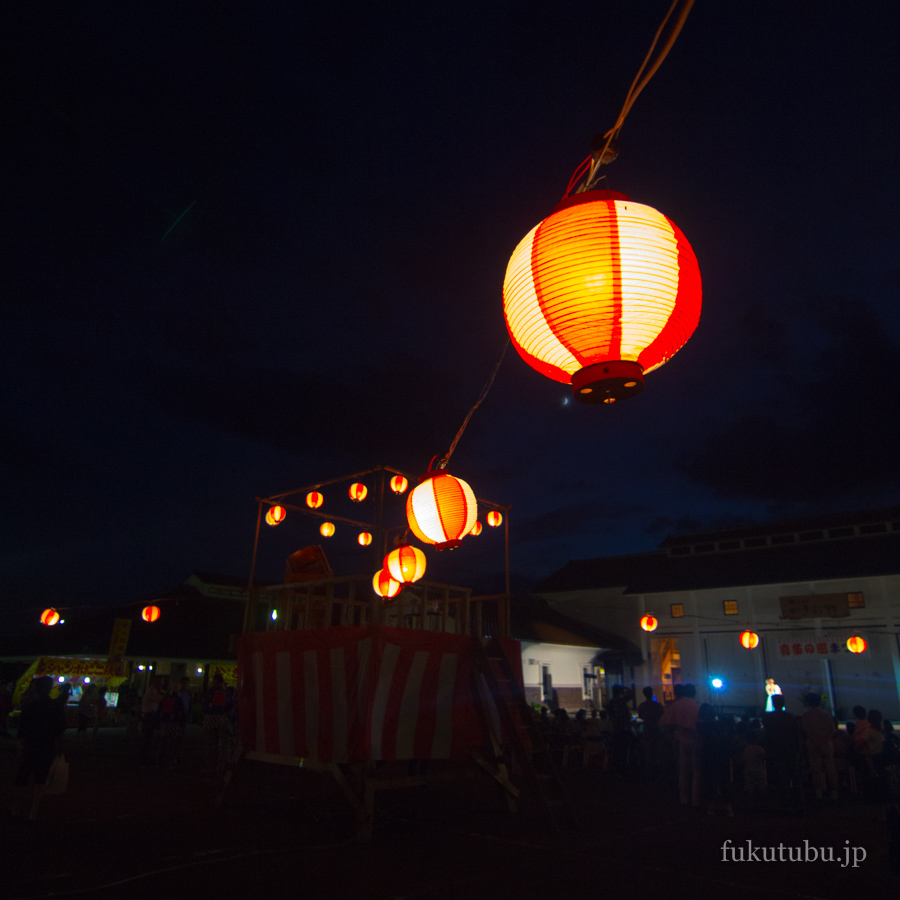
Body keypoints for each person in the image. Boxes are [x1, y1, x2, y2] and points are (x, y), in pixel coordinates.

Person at [11, 677, 66, 820]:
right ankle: (34, 810)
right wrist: (58, 748)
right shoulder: (56, 706)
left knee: (21, 778)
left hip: (30, 745)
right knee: (41, 779)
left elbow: (22, 730)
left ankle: (16, 808)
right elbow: (59, 731)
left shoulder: (30, 706)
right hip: (46, 746)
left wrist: (21, 746)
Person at [660, 683, 701, 807]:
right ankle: (696, 799)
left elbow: (663, 723)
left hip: (681, 740)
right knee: (696, 772)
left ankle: (683, 798)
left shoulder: (676, 705)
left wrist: (672, 735)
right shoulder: (696, 706)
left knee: (682, 771)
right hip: (695, 740)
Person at [800, 692, 838, 800]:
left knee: (816, 771)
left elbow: (806, 730)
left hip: (813, 745)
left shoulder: (806, 716)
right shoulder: (825, 715)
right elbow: (832, 730)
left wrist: (816, 741)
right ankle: (834, 794)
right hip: (827, 744)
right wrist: (824, 740)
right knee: (831, 770)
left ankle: (819, 795)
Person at [202, 673, 236, 776]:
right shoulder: (226, 692)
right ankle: (219, 766)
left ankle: (210, 766)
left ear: (216, 681)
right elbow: (230, 705)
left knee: (211, 744)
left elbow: (207, 705)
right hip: (222, 720)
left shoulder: (213, 692)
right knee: (220, 745)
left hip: (212, 719)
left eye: (213, 680)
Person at [637, 686, 664, 773]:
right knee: (658, 752)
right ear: (652, 693)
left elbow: (641, 716)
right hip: (657, 729)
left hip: (647, 729)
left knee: (648, 753)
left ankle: (649, 772)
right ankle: (658, 770)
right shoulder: (658, 706)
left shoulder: (642, 706)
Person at [140, 677, 165, 766]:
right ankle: (144, 757)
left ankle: (145, 756)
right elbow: (158, 699)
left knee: (149, 736)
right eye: (161, 683)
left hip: (150, 715)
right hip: (149, 715)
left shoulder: (152, 691)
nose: (161, 685)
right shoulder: (152, 691)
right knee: (148, 736)